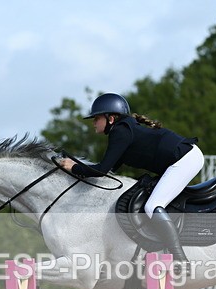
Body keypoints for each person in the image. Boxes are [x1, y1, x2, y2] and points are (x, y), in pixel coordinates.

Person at [60, 93, 204, 267]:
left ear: (111, 118)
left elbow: (101, 171)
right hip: (182, 158)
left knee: (152, 206)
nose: (93, 122)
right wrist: (77, 165)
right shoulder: (123, 130)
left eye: (97, 118)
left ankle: (181, 260)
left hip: (185, 159)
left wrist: (73, 167)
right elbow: (109, 168)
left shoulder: (120, 132)